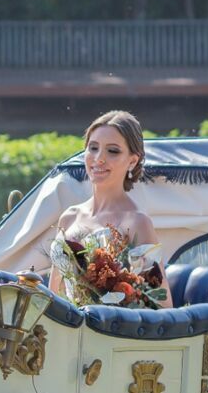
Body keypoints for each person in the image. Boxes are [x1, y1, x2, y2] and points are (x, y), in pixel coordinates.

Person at [47, 110, 172, 309]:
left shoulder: (138, 222)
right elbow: (53, 295)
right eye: (93, 148)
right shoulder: (68, 218)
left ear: (132, 160)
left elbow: (162, 305)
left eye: (112, 151)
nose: (99, 158)